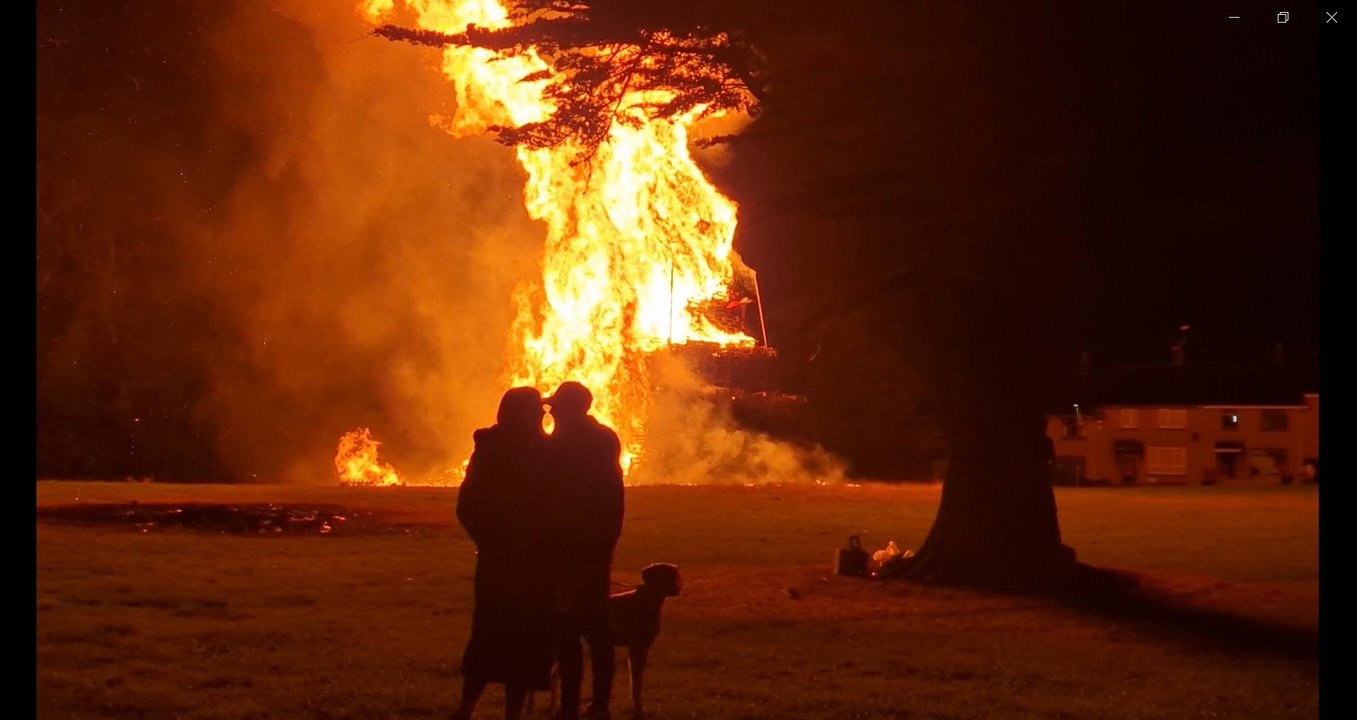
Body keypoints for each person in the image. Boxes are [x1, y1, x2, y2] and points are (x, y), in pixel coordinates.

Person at [452, 387, 556, 720]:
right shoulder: (539, 454)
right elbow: (470, 504)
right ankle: (496, 712)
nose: (543, 415)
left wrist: (486, 540)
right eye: (537, 410)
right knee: (516, 636)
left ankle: (469, 710)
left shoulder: (490, 449)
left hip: (505, 559)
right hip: (525, 561)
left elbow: (467, 505)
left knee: (492, 633)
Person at [544, 381, 625, 720]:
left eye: (554, 408)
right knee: (596, 630)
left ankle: (571, 706)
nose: (551, 414)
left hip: (570, 551)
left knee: (569, 631)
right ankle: (600, 703)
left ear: (569, 410)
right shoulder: (605, 439)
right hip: (595, 550)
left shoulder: (565, 446)